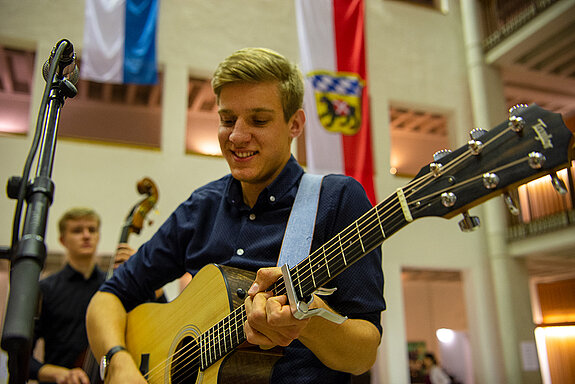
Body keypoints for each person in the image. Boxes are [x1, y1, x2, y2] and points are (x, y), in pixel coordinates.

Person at [86, 47, 385, 384]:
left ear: (295, 124)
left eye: (259, 120)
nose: (237, 136)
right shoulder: (201, 208)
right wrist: (118, 362)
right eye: (228, 120)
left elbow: (364, 355)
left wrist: (308, 319)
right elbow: (108, 297)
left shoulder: (337, 200)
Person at [29, 207, 137, 384]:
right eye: (77, 231)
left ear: (98, 236)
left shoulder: (114, 286)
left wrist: (143, 276)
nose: (86, 235)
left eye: (92, 230)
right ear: (63, 240)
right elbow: (21, 358)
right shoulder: (45, 288)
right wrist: (58, 374)